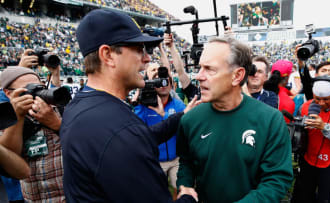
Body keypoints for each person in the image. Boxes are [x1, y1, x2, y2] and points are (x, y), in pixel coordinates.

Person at [60, 9, 198, 202]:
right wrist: (187, 197)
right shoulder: (119, 129)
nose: (147, 58)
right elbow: (126, 138)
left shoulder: (81, 104)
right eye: (138, 49)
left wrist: (183, 114)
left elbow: (139, 138)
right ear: (107, 55)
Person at [176, 37, 293, 202]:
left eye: (209, 69)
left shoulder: (270, 120)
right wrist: (185, 186)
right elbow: (186, 162)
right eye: (200, 68)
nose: (198, 76)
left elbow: (276, 180)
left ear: (237, 76)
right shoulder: (190, 120)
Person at [0, 66, 65, 202]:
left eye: (39, 87)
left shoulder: (61, 110)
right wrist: (17, 117)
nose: (36, 93)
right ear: (8, 93)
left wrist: (57, 124)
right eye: (29, 89)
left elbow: (85, 146)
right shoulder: (5, 121)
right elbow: (10, 164)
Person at [291, 76, 330, 203]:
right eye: (317, 99)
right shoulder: (305, 106)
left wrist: (325, 128)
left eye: (326, 99)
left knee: (325, 199)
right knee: (302, 197)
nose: (321, 103)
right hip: (308, 160)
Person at [134, 65, 186, 198]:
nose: (163, 85)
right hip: (156, 160)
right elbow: (138, 129)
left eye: (166, 81)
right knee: (156, 193)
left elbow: (185, 126)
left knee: (179, 188)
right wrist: (138, 101)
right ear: (153, 85)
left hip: (176, 159)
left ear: (171, 85)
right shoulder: (145, 106)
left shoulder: (178, 105)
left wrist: (165, 115)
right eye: (158, 81)